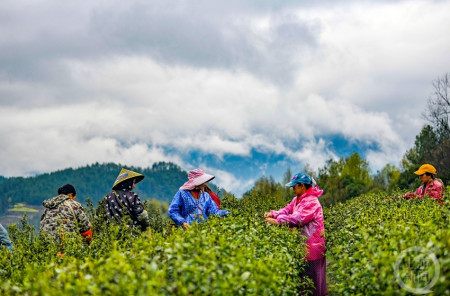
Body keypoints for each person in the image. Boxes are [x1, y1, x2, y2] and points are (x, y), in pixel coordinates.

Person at [264, 173, 327, 296]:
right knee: (303, 283)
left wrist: (278, 221)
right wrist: (273, 213)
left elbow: (298, 219)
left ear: (302, 186)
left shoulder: (311, 201)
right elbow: (287, 209)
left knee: (312, 284)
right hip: (303, 246)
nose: (293, 190)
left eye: (294, 187)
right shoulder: (298, 199)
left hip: (312, 248)